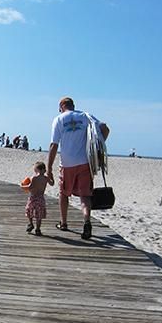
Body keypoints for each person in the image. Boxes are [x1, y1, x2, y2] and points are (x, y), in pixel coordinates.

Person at [47, 96, 110, 240]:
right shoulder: (85, 116)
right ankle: (86, 221)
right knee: (85, 195)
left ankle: (63, 223)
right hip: (84, 162)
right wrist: (98, 147)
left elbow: (54, 145)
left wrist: (49, 168)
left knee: (64, 193)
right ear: (73, 106)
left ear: (61, 107)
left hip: (67, 163)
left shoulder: (59, 119)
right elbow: (105, 128)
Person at [23, 161, 52, 236]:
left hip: (33, 197)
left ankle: (31, 224)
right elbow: (52, 183)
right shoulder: (46, 178)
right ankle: (38, 229)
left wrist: (22, 186)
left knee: (29, 210)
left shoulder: (34, 178)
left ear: (37, 170)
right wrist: (50, 176)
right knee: (39, 214)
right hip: (41, 198)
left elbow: (30, 187)